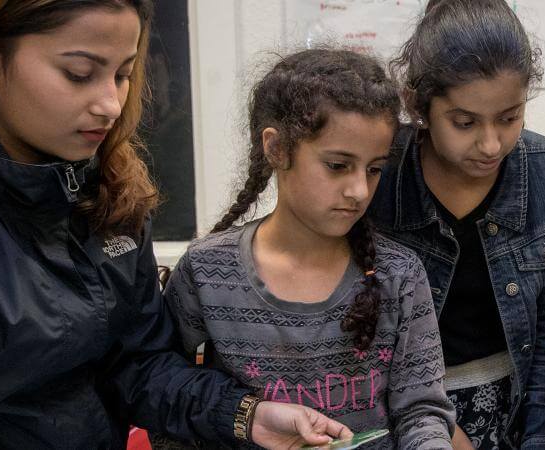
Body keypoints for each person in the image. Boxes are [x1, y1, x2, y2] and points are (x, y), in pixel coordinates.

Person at [0, 1, 350, 448]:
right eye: (79, 73)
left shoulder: (110, 192)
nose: (111, 104)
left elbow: (139, 367)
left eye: (123, 74)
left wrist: (247, 414)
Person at [161, 48, 455, 450]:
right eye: (337, 165)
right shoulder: (206, 271)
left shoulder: (400, 275)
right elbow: (167, 396)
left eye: (374, 169)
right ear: (277, 149)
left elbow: (421, 411)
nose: (359, 190)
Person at [372, 0, 545, 448]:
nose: (491, 144)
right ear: (419, 105)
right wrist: (438, 426)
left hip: (520, 407)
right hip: (401, 412)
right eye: (465, 122)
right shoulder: (380, 172)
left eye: (509, 118)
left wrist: (541, 441)